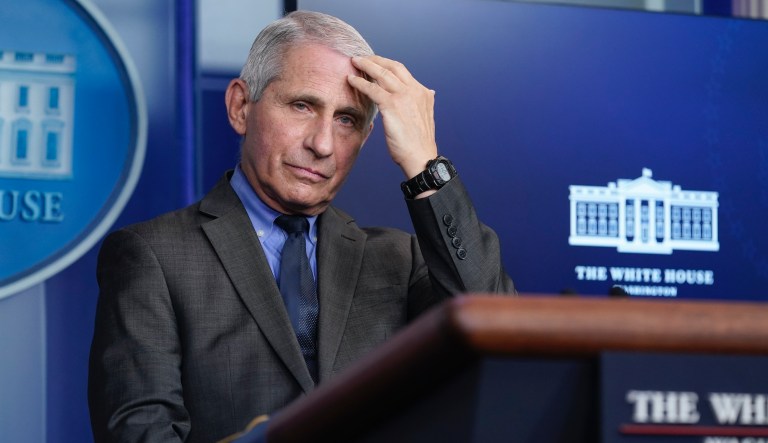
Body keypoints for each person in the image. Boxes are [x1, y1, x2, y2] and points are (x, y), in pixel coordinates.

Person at [88, 10, 515, 443]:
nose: (322, 144)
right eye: (302, 106)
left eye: (347, 119)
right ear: (240, 106)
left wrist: (425, 163)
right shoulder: (152, 255)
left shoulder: (401, 261)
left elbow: (497, 336)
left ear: (366, 137)